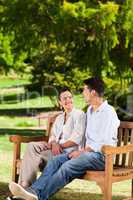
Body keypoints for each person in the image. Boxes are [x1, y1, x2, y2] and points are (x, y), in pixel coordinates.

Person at [9, 77, 120, 200]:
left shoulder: (108, 112)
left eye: (84, 90)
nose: (82, 94)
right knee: (55, 161)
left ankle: (39, 196)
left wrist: (81, 151)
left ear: (92, 92)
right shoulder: (90, 110)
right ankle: (32, 191)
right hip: (85, 154)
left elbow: (104, 143)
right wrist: (64, 146)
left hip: (102, 157)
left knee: (67, 167)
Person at [18, 87, 86, 188]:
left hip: (69, 154)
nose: (68, 100)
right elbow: (53, 136)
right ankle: (25, 186)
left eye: (70, 97)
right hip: (54, 152)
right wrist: (53, 144)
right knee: (31, 146)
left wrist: (59, 145)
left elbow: (77, 139)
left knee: (32, 158)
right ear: (60, 102)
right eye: (64, 98)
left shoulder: (79, 115)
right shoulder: (59, 118)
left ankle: (25, 187)